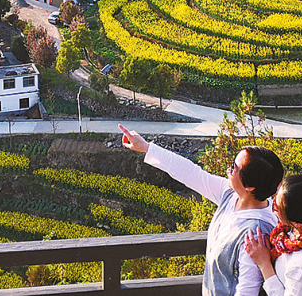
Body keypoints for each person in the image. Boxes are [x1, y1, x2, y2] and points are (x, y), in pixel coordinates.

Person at [119, 125, 283, 296]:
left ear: (249, 187)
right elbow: (192, 174)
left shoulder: (255, 233)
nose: (229, 169)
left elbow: (247, 290)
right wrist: (146, 148)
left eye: (234, 167)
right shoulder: (231, 195)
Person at [243, 175, 302, 296]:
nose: (272, 207)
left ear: (296, 223)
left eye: (276, 207)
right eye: (275, 196)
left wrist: (264, 264)